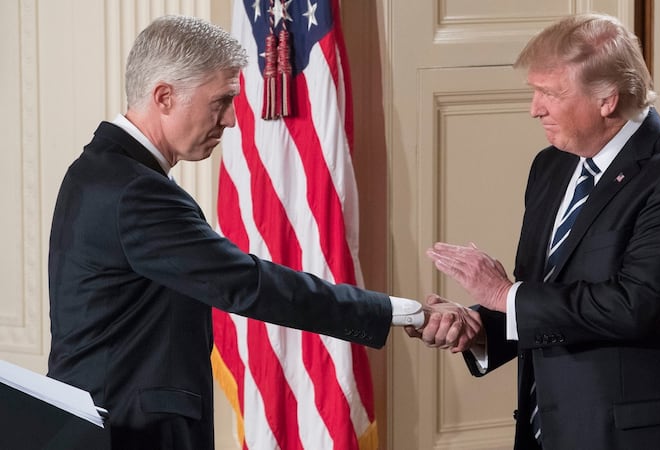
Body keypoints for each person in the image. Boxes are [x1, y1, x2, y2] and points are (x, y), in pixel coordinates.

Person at [47, 15, 433, 450]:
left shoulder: (98, 169)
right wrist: (393, 311)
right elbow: (248, 284)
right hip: (128, 431)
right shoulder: (137, 191)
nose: (232, 120)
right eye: (221, 101)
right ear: (165, 97)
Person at [406, 12, 660, 450]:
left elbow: (635, 306)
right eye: (535, 92)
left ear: (607, 99)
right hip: (552, 430)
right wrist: (480, 325)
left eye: (550, 93)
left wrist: (505, 296)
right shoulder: (551, 165)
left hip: (648, 437)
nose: (535, 108)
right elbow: (551, 294)